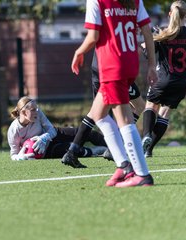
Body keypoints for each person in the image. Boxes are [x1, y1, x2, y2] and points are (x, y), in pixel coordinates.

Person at [64, 0, 158, 187]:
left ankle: (141, 174)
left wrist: (78, 51)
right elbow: (147, 32)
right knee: (98, 114)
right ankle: (123, 165)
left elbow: (93, 36)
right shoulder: (134, 1)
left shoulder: (97, 1)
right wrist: (151, 65)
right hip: (129, 63)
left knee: (124, 120)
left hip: (112, 66)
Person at [62, 50, 146, 167]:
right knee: (136, 106)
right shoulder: (114, 32)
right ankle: (116, 151)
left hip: (99, 68)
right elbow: (95, 37)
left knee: (97, 111)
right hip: (113, 70)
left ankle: (72, 152)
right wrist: (79, 52)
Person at [141, 0, 186, 157]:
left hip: (162, 79)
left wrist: (145, 45)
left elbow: (148, 52)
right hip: (181, 82)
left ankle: (146, 135)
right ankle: (149, 149)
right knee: (165, 113)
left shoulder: (162, 34)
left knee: (151, 105)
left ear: (169, 14)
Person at [7, 96, 109, 164]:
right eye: (33, 110)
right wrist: (20, 158)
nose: (37, 112)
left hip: (54, 134)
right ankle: (97, 151)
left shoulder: (38, 114)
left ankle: (117, 148)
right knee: (74, 150)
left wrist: (43, 138)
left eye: (36, 108)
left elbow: (52, 130)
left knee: (87, 133)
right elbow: (14, 154)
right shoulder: (13, 130)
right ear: (24, 113)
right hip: (46, 151)